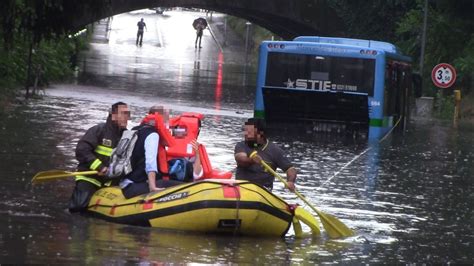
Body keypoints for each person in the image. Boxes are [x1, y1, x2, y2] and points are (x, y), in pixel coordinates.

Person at [119, 106, 202, 199]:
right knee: (187, 187)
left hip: (126, 184)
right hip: (134, 187)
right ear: (159, 117)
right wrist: (152, 186)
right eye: (166, 120)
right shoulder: (152, 135)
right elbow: (150, 163)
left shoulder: (136, 129)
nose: (167, 124)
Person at [69, 102, 130, 213]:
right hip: (90, 178)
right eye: (124, 114)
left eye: (128, 114)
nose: (127, 117)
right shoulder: (98, 130)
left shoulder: (126, 137)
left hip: (109, 183)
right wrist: (100, 167)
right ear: (113, 115)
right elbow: (82, 151)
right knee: (79, 208)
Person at [234, 118, 297, 191]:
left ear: (260, 133)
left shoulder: (275, 150)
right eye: (245, 130)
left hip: (263, 191)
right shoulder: (241, 145)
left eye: (249, 131)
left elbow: (290, 169)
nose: (245, 134)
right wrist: (252, 160)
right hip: (241, 188)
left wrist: (290, 181)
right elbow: (241, 160)